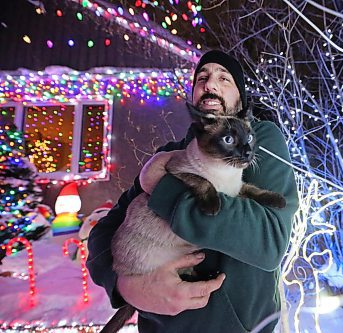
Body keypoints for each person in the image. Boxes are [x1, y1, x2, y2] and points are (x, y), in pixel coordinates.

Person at [86, 50, 299, 332]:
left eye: (224, 78)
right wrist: (126, 287)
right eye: (202, 77)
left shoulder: (260, 140)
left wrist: (164, 190)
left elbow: (269, 242)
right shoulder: (169, 154)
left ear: (241, 97)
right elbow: (105, 231)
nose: (210, 84)